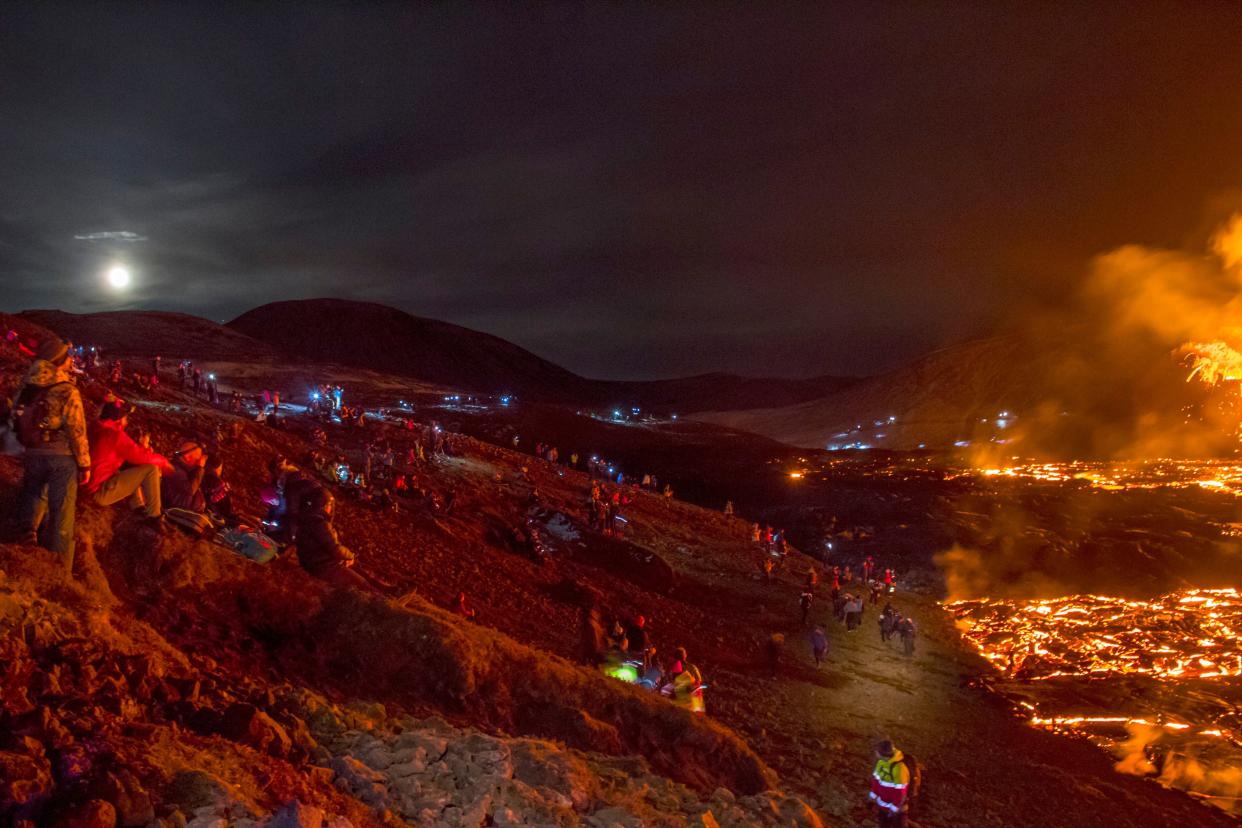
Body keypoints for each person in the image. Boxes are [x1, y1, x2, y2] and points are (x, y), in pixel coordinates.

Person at [10, 337, 91, 569]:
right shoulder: (66, 390)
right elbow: (77, 431)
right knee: (61, 511)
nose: (71, 359)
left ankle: (26, 539)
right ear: (60, 360)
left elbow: (16, 418)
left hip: (33, 452)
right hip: (61, 457)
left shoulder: (26, 387)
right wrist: (84, 465)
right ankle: (59, 567)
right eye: (68, 356)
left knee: (33, 493)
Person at [84, 399, 173, 525]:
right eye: (126, 418)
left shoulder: (96, 427)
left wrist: (143, 448)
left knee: (131, 469)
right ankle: (154, 516)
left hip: (89, 485)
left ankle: (138, 506)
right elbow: (141, 457)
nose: (127, 421)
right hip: (98, 491)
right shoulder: (114, 434)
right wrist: (164, 462)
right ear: (119, 420)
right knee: (150, 470)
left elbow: (130, 456)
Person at [293, 487, 381, 593]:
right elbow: (335, 549)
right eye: (330, 505)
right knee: (363, 585)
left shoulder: (307, 519)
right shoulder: (319, 523)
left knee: (358, 571)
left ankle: (383, 589)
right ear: (325, 505)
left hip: (318, 562)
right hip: (324, 567)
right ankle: (385, 604)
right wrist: (350, 555)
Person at [869, 740, 911, 827]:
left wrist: (894, 809)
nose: (875, 752)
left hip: (898, 810)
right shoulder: (881, 763)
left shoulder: (899, 769)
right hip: (883, 806)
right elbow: (876, 781)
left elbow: (901, 793)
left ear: (882, 754)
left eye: (877, 751)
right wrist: (872, 798)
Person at [162, 441, 208, 512]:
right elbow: (188, 493)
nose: (198, 463)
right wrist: (200, 468)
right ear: (187, 457)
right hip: (176, 515)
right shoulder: (176, 471)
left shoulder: (183, 471)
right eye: (197, 459)